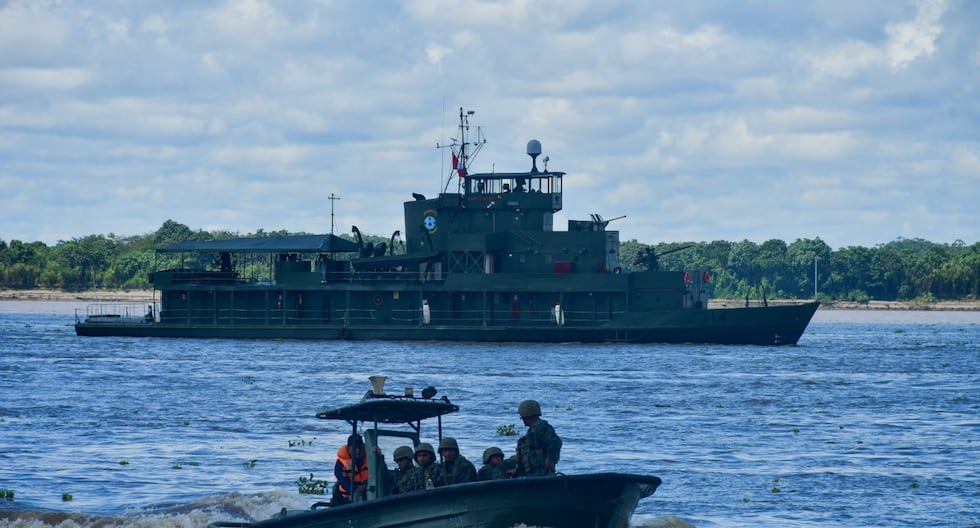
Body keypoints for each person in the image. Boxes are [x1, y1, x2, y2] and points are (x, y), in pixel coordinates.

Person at [517, 399, 562, 476]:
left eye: (523, 417)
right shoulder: (531, 431)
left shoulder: (542, 427)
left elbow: (555, 442)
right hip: (532, 471)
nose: (523, 420)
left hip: (542, 471)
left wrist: (550, 459)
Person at [332, 434, 369, 505]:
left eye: (359, 447)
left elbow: (376, 475)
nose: (357, 450)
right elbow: (342, 480)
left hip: (368, 495)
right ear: (349, 448)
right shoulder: (341, 463)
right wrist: (355, 488)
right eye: (354, 448)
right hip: (345, 498)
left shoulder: (370, 459)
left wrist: (365, 486)